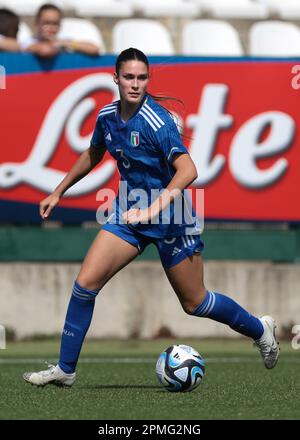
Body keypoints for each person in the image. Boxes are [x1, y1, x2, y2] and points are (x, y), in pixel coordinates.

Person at [23, 47, 279, 387]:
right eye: (128, 77)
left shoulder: (157, 121)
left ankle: (260, 329)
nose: (135, 84)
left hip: (172, 217)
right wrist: (59, 191)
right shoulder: (108, 116)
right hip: (129, 215)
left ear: (148, 80)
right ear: (115, 78)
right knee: (85, 284)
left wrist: (153, 208)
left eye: (141, 77)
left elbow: (188, 170)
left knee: (195, 301)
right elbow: (94, 151)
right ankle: (66, 369)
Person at [21, 3, 101, 57]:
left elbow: (95, 49)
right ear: (37, 23)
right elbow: (45, 51)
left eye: (55, 23)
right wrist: (58, 44)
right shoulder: (28, 42)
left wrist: (68, 43)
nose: (51, 27)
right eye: (46, 23)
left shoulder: (65, 42)